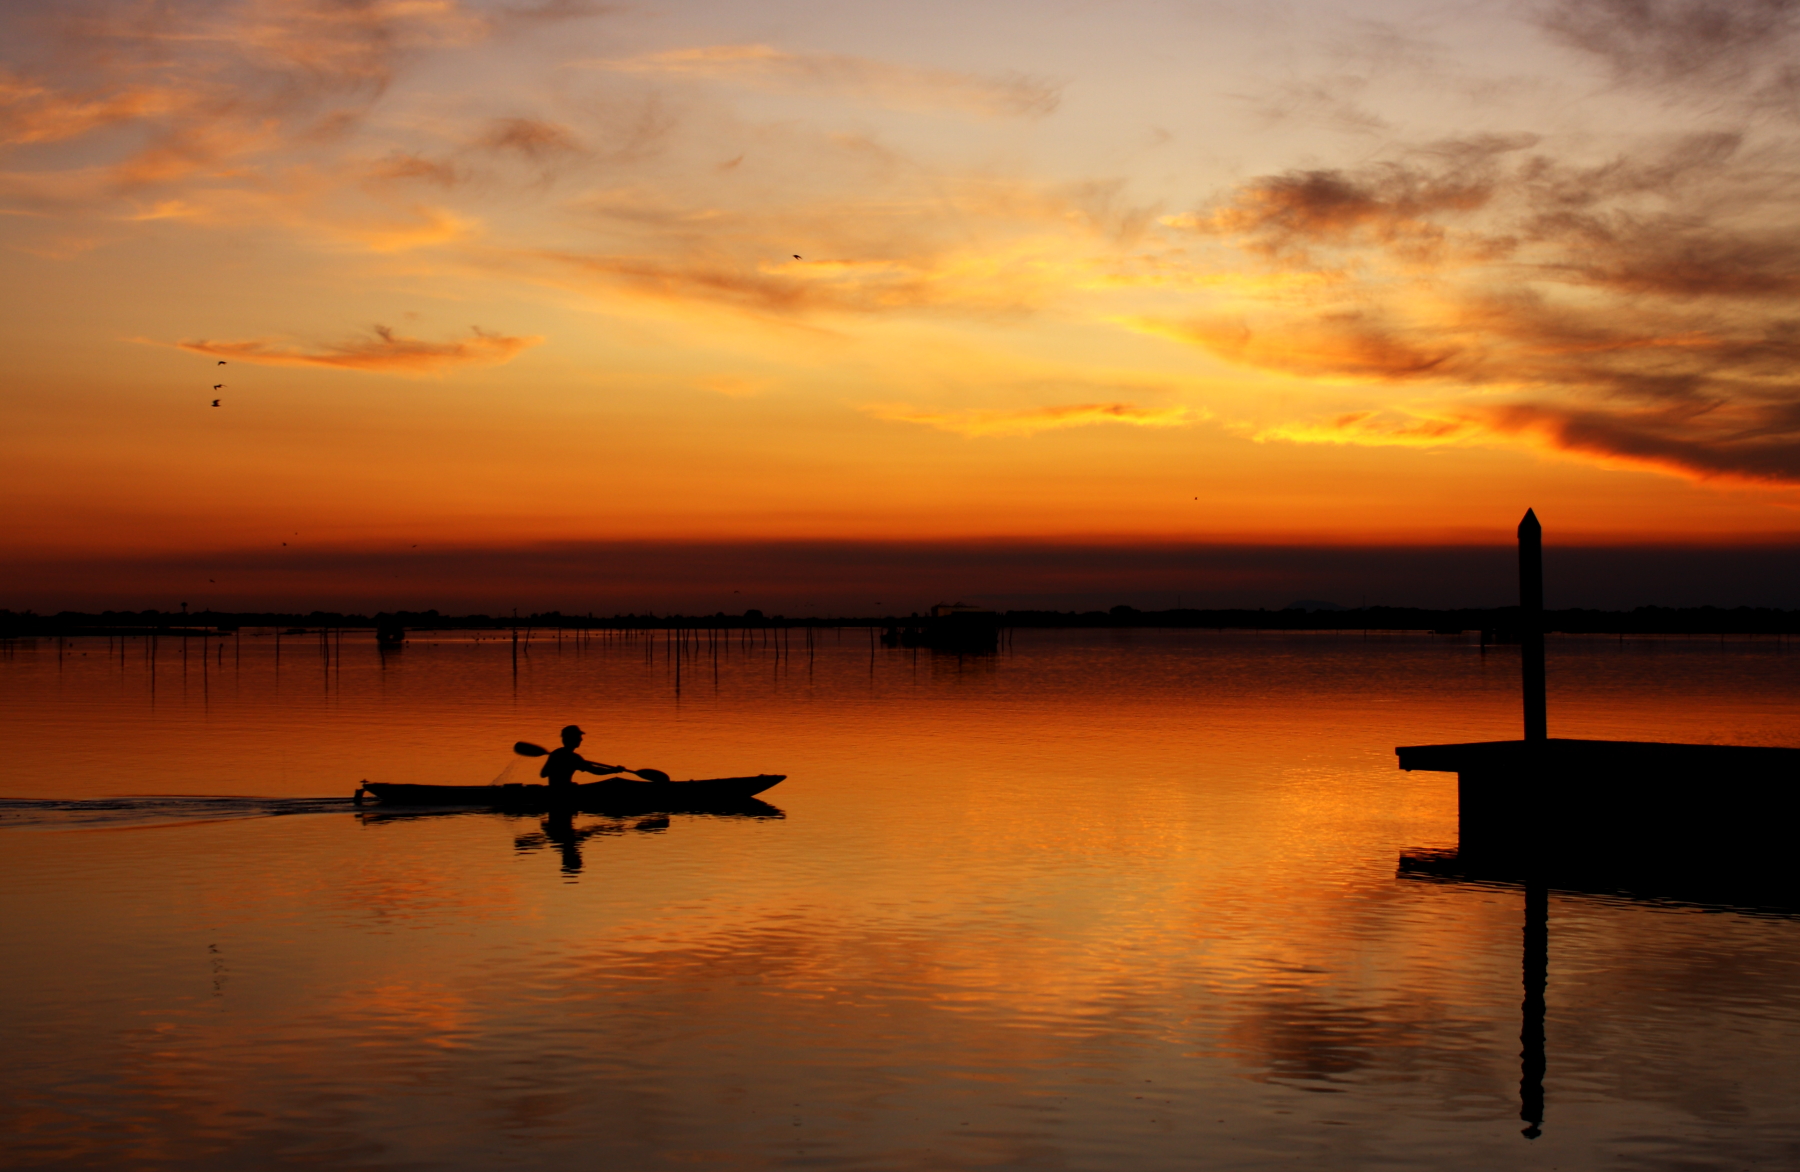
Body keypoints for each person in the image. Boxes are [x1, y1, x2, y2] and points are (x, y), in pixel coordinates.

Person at [540, 725, 630, 789]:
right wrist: (614, 770)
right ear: (571, 738)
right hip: (563, 793)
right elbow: (596, 771)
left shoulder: (556, 754)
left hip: (555, 790)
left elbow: (543, 774)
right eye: (578, 736)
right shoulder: (573, 758)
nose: (581, 739)